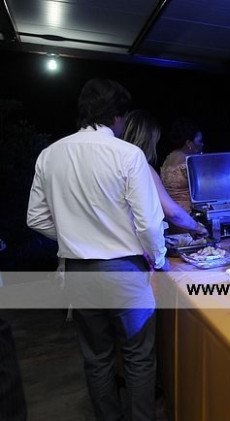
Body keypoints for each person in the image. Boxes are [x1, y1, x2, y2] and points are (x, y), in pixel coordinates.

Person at [27, 78, 166, 421]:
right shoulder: (128, 154)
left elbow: (35, 218)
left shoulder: (49, 154)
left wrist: (71, 237)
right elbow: (149, 224)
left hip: (77, 271)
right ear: (117, 116)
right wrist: (158, 258)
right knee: (138, 357)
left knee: (97, 358)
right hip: (125, 270)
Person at [122, 110, 208, 238]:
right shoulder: (143, 168)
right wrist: (197, 227)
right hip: (180, 217)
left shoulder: (118, 165)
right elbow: (172, 211)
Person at [160, 117, 204, 212]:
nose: (202, 144)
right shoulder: (187, 162)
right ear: (189, 143)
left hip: (167, 211)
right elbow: (203, 191)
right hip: (186, 213)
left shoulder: (169, 158)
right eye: (200, 141)